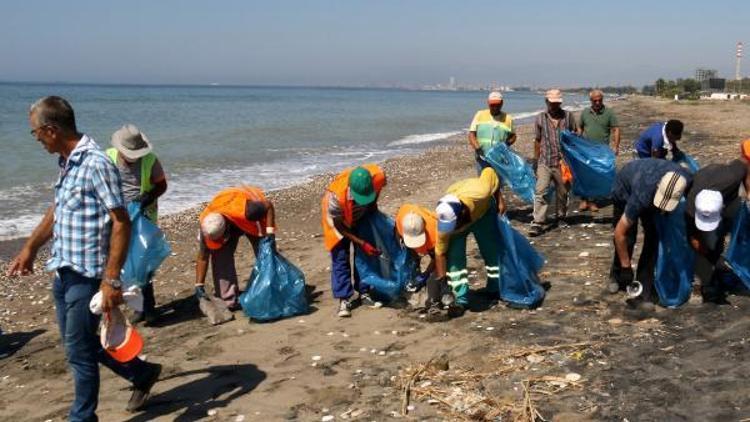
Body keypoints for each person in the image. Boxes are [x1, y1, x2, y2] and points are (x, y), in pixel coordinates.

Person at [6, 96, 161, 419]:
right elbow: (58, 208)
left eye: (34, 132)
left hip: (89, 276)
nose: (35, 139)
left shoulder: (95, 163)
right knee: (80, 343)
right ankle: (140, 374)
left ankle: (83, 417)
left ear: (50, 130)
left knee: (78, 351)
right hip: (64, 270)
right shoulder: (68, 161)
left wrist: (111, 280)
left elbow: (121, 221)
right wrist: (31, 247)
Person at [609, 158, 692, 311]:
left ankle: (643, 288)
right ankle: (616, 274)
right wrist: (626, 266)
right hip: (624, 188)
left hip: (648, 185)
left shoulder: (686, 178)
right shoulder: (641, 195)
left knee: (653, 238)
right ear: (658, 186)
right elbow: (619, 233)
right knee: (628, 238)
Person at [107, 124, 168, 325]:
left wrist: (146, 198)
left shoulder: (150, 160)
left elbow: (162, 185)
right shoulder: (108, 157)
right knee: (120, 263)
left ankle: (149, 309)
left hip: (143, 217)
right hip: (117, 217)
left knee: (143, 263)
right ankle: (138, 308)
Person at [432, 167, 506, 318]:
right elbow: (440, 253)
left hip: (482, 214)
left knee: (491, 251)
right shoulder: (444, 224)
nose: (451, 228)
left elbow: (490, 172)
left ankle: (495, 287)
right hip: (460, 207)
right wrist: (443, 284)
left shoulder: (480, 192)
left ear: (462, 213)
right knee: (455, 260)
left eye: (454, 224)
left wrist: (499, 200)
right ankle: (461, 299)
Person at [684, 143, 750, 303]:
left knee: (717, 238)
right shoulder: (689, 210)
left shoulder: (733, 175)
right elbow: (692, 239)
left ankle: (716, 264)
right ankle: (707, 280)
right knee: (698, 246)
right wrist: (711, 256)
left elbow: (745, 169)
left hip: (722, 195)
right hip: (702, 195)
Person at [195, 186, 275, 310]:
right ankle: (228, 300)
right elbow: (203, 256)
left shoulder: (250, 211)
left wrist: (270, 233)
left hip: (249, 218)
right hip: (225, 216)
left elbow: (268, 206)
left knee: (265, 252)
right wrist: (199, 285)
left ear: (227, 228)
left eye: (222, 239)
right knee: (220, 255)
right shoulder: (207, 227)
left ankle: (270, 287)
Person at [321, 164, 387, 317]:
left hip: (359, 216)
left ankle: (364, 292)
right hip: (337, 222)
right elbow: (340, 227)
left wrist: (372, 209)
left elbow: (378, 191)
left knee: (364, 257)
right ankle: (344, 299)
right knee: (340, 258)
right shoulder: (334, 198)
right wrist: (362, 243)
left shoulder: (378, 176)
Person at [529, 89, 578, 236]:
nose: (555, 106)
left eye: (557, 103)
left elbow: (575, 135)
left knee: (563, 192)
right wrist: (536, 160)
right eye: (552, 103)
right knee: (541, 191)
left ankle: (561, 217)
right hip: (545, 161)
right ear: (547, 102)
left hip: (563, 162)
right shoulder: (540, 118)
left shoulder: (568, 116)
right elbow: (537, 140)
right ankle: (538, 222)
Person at [577, 89, 621, 212]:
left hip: (602, 151)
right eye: (595, 100)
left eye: (599, 100)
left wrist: (616, 146)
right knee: (585, 175)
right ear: (590, 101)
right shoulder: (585, 112)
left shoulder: (609, 113)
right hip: (586, 150)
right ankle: (584, 200)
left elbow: (616, 129)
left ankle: (592, 201)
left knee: (597, 176)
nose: (597, 102)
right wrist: (576, 140)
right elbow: (580, 128)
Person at [468, 91, 516, 173]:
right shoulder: (480, 115)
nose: (495, 107)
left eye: (497, 105)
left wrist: (507, 143)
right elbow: (471, 134)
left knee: (498, 181)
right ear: (488, 103)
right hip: (482, 157)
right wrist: (478, 148)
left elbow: (513, 136)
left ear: (502, 103)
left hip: (499, 158)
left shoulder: (508, 118)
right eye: (492, 105)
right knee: (484, 182)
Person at [395, 204, 438, 293]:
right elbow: (398, 235)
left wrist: (425, 274)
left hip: (434, 238)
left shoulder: (434, 232)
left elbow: (437, 258)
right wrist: (415, 258)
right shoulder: (402, 218)